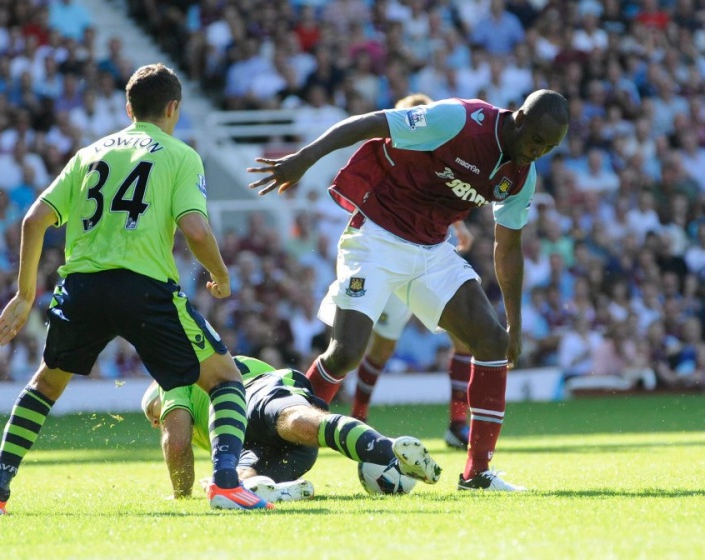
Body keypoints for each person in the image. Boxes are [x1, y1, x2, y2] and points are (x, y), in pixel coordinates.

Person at [0, 63, 272, 514]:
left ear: (128, 107)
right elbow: (194, 228)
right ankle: (228, 481)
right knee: (225, 379)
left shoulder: (89, 153)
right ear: (173, 107)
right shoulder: (180, 154)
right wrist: (222, 275)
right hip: (144, 289)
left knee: (45, 385)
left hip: (81, 286)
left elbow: (34, 219)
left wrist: (23, 294)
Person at [248, 89, 569, 491]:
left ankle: (477, 474)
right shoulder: (458, 120)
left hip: (432, 252)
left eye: (550, 147)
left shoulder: (523, 175)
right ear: (519, 118)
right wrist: (304, 159)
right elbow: (371, 123)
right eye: (537, 140)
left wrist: (515, 327)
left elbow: (509, 248)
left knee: (491, 341)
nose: (539, 151)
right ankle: (275, 430)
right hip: (376, 239)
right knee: (346, 353)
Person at [349, 94, 476, 451]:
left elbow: (439, 197)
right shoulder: (392, 153)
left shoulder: (438, 157)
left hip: (423, 259)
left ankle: (457, 422)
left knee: (463, 337)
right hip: (386, 257)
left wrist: (458, 227)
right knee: (376, 348)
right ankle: (357, 418)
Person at [142, 355, 442, 502]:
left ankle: (387, 451)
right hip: (272, 444)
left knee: (296, 419)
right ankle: (280, 493)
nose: (157, 422)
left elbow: (176, 441)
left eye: (152, 414)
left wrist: (181, 494)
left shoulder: (174, 380)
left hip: (255, 392)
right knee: (237, 485)